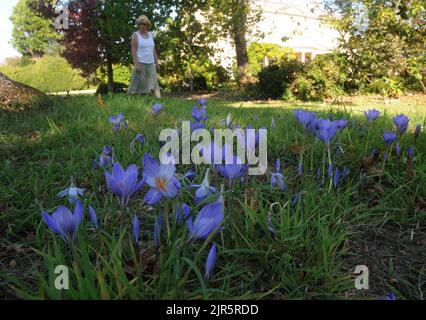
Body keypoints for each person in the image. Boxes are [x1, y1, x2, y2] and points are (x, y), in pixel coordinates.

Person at [128, 15, 161, 98]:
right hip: (140, 62)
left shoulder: (151, 35)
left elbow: (153, 49)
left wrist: (157, 62)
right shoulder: (136, 35)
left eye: (144, 24)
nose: (142, 25)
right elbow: (133, 49)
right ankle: (130, 100)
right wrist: (136, 64)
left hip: (150, 63)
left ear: (147, 25)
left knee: (153, 82)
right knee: (137, 84)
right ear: (138, 25)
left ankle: (159, 100)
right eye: (140, 24)